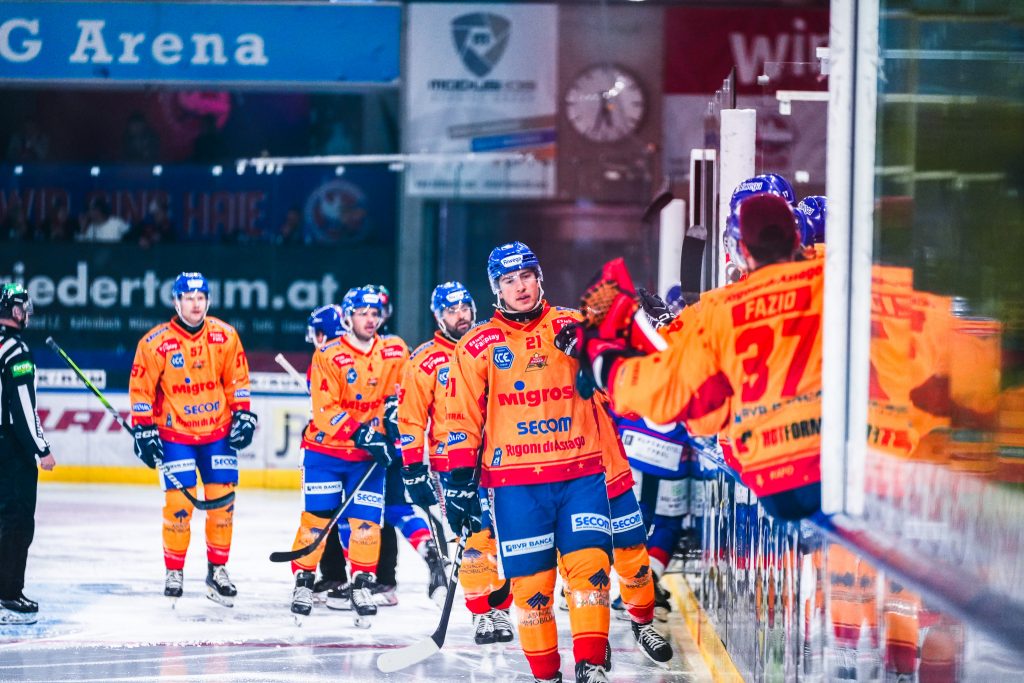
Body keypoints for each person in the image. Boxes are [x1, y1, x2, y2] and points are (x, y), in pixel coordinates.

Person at [576, 192, 824, 521]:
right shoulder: (837, 278)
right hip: (849, 466)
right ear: (797, 236)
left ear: (741, 249)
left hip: (773, 476)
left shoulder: (720, 310)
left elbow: (679, 395)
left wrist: (604, 363)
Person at [445, 242, 615, 683]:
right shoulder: (477, 345)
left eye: (526, 276)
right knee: (533, 594)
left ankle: (591, 665)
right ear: (495, 289)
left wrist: (593, 353)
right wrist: (460, 484)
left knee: (590, 575)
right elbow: (461, 418)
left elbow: (619, 393)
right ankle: (547, 676)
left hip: (581, 475)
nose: (520, 287)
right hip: (516, 487)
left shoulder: (572, 325)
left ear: (539, 277)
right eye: (508, 280)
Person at [128, 272, 257, 606]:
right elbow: (141, 389)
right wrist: (143, 428)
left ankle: (218, 571)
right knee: (179, 506)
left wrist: (243, 413)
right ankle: (174, 570)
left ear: (208, 300)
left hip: (218, 433)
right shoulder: (155, 343)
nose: (195, 303)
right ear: (176, 301)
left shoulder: (226, 336)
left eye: (201, 297)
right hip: (176, 435)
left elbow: (237, 380)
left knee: (222, 506)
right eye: (188, 297)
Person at [399, 281, 514, 644]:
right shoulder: (425, 360)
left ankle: (501, 607)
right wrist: (413, 467)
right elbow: (412, 419)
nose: (461, 315)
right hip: (452, 465)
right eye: (451, 310)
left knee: (508, 536)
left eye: (464, 307)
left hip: (503, 460)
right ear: (438, 316)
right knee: (475, 537)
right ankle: (482, 612)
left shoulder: (493, 344)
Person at [286, 288, 408, 627]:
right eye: (363, 313)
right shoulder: (328, 354)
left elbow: (399, 394)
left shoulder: (395, 351)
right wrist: (365, 434)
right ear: (348, 317)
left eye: (375, 313)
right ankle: (303, 581)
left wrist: (395, 420)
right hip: (325, 453)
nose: (370, 319)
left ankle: (362, 584)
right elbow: (326, 411)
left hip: (367, 459)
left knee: (367, 523)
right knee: (318, 521)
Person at [0, 284, 56, 624]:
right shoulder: (16, 349)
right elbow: (22, 406)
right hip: (11, 446)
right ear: (16, 311)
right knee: (17, 519)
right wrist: (42, 448)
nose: (28, 313)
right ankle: (8, 593)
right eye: (25, 307)